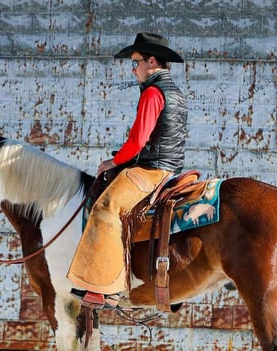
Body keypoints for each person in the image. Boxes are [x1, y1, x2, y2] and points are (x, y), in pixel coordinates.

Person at [67, 32, 188, 309]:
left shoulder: (154, 92)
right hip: (170, 168)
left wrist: (114, 162)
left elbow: (137, 141)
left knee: (105, 206)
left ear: (152, 61)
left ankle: (103, 289)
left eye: (135, 63)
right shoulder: (175, 93)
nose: (133, 70)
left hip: (152, 169)